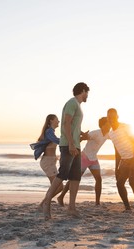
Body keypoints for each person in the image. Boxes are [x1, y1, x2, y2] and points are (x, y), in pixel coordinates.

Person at [42, 82, 89, 220]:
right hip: (68, 145)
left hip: (75, 145)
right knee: (63, 174)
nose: (87, 96)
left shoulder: (78, 106)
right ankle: (47, 201)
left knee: (75, 177)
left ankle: (71, 208)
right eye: (87, 93)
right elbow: (66, 124)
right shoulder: (72, 103)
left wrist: (81, 134)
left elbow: (73, 126)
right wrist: (70, 144)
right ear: (82, 91)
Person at [58, 117, 110, 206]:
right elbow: (84, 137)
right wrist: (80, 139)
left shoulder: (108, 134)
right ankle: (61, 196)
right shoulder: (96, 133)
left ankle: (97, 202)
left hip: (93, 159)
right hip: (84, 157)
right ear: (102, 125)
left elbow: (116, 138)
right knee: (74, 178)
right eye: (108, 124)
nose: (110, 125)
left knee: (99, 179)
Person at [107, 108, 134, 214]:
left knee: (132, 182)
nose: (111, 119)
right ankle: (127, 207)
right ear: (107, 119)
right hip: (125, 159)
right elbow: (117, 152)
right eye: (109, 117)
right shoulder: (111, 134)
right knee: (119, 183)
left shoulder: (125, 127)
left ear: (117, 117)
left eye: (113, 117)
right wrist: (116, 167)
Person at [30, 114, 61, 209]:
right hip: (47, 162)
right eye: (57, 120)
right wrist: (69, 140)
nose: (58, 121)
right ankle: (44, 204)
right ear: (51, 121)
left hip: (51, 162)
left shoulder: (51, 132)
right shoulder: (49, 132)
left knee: (58, 187)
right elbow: (57, 141)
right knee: (58, 187)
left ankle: (43, 204)